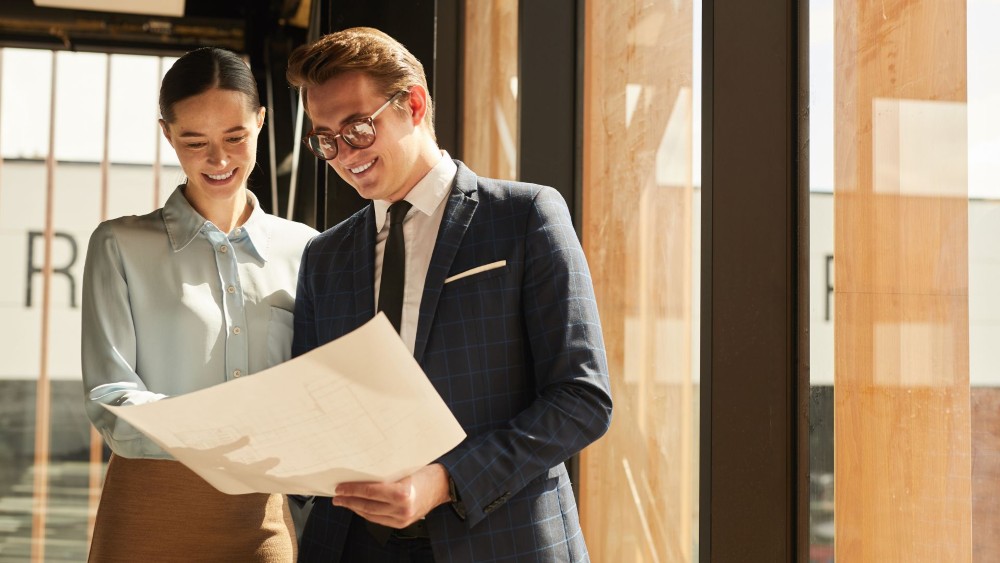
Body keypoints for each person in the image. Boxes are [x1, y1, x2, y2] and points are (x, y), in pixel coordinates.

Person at [286, 27, 613, 562]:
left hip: (502, 542)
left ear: (413, 104)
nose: (343, 154)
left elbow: (582, 399)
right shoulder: (324, 257)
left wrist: (446, 481)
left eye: (357, 129)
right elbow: (315, 406)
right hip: (351, 546)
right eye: (325, 140)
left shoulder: (524, 216)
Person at [81, 47, 317, 562]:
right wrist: (225, 427)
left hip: (263, 518)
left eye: (235, 137)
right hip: (148, 511)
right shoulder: (119, 245)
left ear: (261, 121)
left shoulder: (307, 249)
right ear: (167, 135)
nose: (219, 159)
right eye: (195, 141)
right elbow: (110, 397)